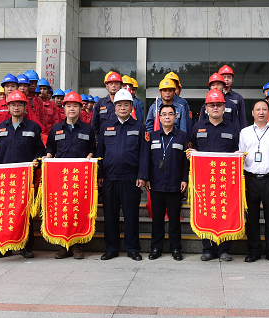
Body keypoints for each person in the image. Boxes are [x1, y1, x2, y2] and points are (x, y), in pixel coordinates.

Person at [0, 90, 46, 259]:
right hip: (4, 178)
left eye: (19, 104)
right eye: (13, 104)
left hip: (26, 178)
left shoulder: (33, 127)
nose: (16, 107)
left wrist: (36, 160)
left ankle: (25, 246)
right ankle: (4, 246)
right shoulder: (1, 127)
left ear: (25, 107)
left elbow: (40, 150)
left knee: (24, 211)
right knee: (3, 211)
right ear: (8, 107)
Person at [188, 89, 241, 262]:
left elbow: (235, 151)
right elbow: (194, 147)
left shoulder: (234, 128)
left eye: (219, 105)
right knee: (206, 211)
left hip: (226, 180)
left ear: (224, 107)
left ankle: (224, 248)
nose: (215, 108)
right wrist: (192, 154)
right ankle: (207, 248)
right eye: (212, 105)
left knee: (224, 210)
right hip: (205, 179)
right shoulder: (198, 127)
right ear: (206, 108)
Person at [96, 88, 149, 261]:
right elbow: (100, 152)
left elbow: (143, 154)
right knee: (110, 216)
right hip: (109, 179)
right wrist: (100, 174)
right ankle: (111, 248)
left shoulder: (139, 127)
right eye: (119, 105)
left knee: (131, 215)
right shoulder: (106, 126)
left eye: (126, 104)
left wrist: (142, 175)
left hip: (130, 179)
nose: (123, 108)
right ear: (115, 107)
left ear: (131, 106)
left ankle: (132, 248)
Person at [46, 91, 96, 259]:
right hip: (60, 178)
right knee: (62, 210)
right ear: (64, 108)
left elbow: (93, 149)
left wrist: (90, 155)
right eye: (69, 105)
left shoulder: (88, 129)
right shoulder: (56, 129)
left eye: (75, 105)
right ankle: (63, 245)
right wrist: (48, 155)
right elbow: (50, 148)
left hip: (79, 178)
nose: (72, 108)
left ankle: (77, 246)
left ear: (81, 108)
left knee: (78, 209)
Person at [140, 103, 189, 261]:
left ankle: (176, 248)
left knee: (174, 219)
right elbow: (146, 159)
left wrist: (184, 179)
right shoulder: (152, 136)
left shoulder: (182, 136)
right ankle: (156, 247)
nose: (167, 117)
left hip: (175, 184)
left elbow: (185, 162)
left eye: (170, 114)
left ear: (175, 117)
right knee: (157, 219)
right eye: (164, 114)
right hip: (156, 184)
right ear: (159, 118)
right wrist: (146, 178)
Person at [239, 101, 269, 264]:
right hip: (250, 178)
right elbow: (240, 156)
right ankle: (254, 251)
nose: (261, 112)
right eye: (258, 109)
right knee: (252, 217)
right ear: (252, 112)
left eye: (264, 109)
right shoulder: (244, 132)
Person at [92, 71, 124, 137]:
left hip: (121, 138)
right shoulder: (100, 103)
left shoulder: (125, 103)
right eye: (111, 84)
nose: (114, 86)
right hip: (104, 139)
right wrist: (97, 138)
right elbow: (94, 123)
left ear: (121, 86)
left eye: (116, 84)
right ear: (107, 86)